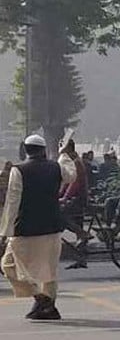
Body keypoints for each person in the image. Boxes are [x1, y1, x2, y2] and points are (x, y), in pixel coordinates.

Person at [0, 135, 76, 320]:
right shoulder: (55, 167)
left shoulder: (19, 170)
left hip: (25, 228)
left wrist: (5, 231)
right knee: (48, 272)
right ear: (43, 150)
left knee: (8, 265)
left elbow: (12, 201)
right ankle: (46, 303)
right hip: (51, 226)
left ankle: (41, 300)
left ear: (25, 150)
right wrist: (64, 155)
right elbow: (71, 175)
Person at [59, 139, 91, 270]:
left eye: (62, 148)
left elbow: (74, 183)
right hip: (75, 197)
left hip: (78, 198)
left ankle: (83, 233)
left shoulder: (76, 162)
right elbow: (65, 183)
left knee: (59, 215)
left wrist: (65, 198)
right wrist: (59, 195)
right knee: (78, 224)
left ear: (68, 149)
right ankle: (81, 259)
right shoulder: (71, 162)